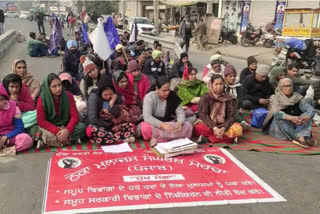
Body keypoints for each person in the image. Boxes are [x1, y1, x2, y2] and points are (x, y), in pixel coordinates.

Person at [35, 73, 86, 148]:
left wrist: (67, 130)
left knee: (82, 127)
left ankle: (47, 142)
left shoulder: (68, 96)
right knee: (35, 131)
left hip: (65, 125)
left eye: (59, 85)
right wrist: (58, 131)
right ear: (48, 87)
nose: (58, 88)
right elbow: (41, 121)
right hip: (50, 128)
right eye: (54, 86)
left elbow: (74, 116)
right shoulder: (42, 99)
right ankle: (69, 140)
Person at [139, 76, 193, 146]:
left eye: (168, 90)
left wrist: (180, 123)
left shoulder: (173, 96)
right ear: (157, 89)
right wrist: (163, 125)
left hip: (170, 123)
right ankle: (172, 138)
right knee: (144, 128)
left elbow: (180, 112)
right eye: (164, 90)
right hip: (155, 124)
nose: (167, 93)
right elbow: (147, 117)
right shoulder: (150, 97)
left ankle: (159, 139)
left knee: (188, 125)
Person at [263, 78, 316, 147]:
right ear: (279, 87)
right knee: (279, 118)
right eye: (285, 86)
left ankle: (302, 136)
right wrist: (292, 118)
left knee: (308, 115)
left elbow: (311, 110)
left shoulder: (297, 97)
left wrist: (306, 117)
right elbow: (275, 112)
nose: (288, 88)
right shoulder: (275, 97)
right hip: (281, 126)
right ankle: (300, 138)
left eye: (290, 86)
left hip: (297, 123)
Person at [194, 74, 243, 144]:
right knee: (197, 127)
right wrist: (214, 128)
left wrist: (224, 128)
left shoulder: (229, 98)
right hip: (209, 125)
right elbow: (204, 115)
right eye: (216, 84)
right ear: (211, 85)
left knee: (238, 128)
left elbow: (231, 117)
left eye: (221, 84)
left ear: (224, 85)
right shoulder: (205, 97)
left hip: (225, 125)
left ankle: (207, 139)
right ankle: (230, 139)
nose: (219, 87)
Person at [86, 77, 136, 145]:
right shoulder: (94, 97)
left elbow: (118, 115)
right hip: (99, 126)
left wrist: (113, 103)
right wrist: (110, 105)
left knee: (131, 126)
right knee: (91, 130)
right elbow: (92, 119)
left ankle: (112, 139)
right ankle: (120, 140)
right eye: (105, 95)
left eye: (110, 94)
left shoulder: (116, 97)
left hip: (113, 127)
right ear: (100, 92)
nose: (108, 97)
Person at [0, 85, 33, 152]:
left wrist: (6, 137)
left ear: (5, 99)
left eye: (1, 100)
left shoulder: (14, 108)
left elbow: (20, 128)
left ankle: (10, 150)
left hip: (12, 135)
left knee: (27, 139)